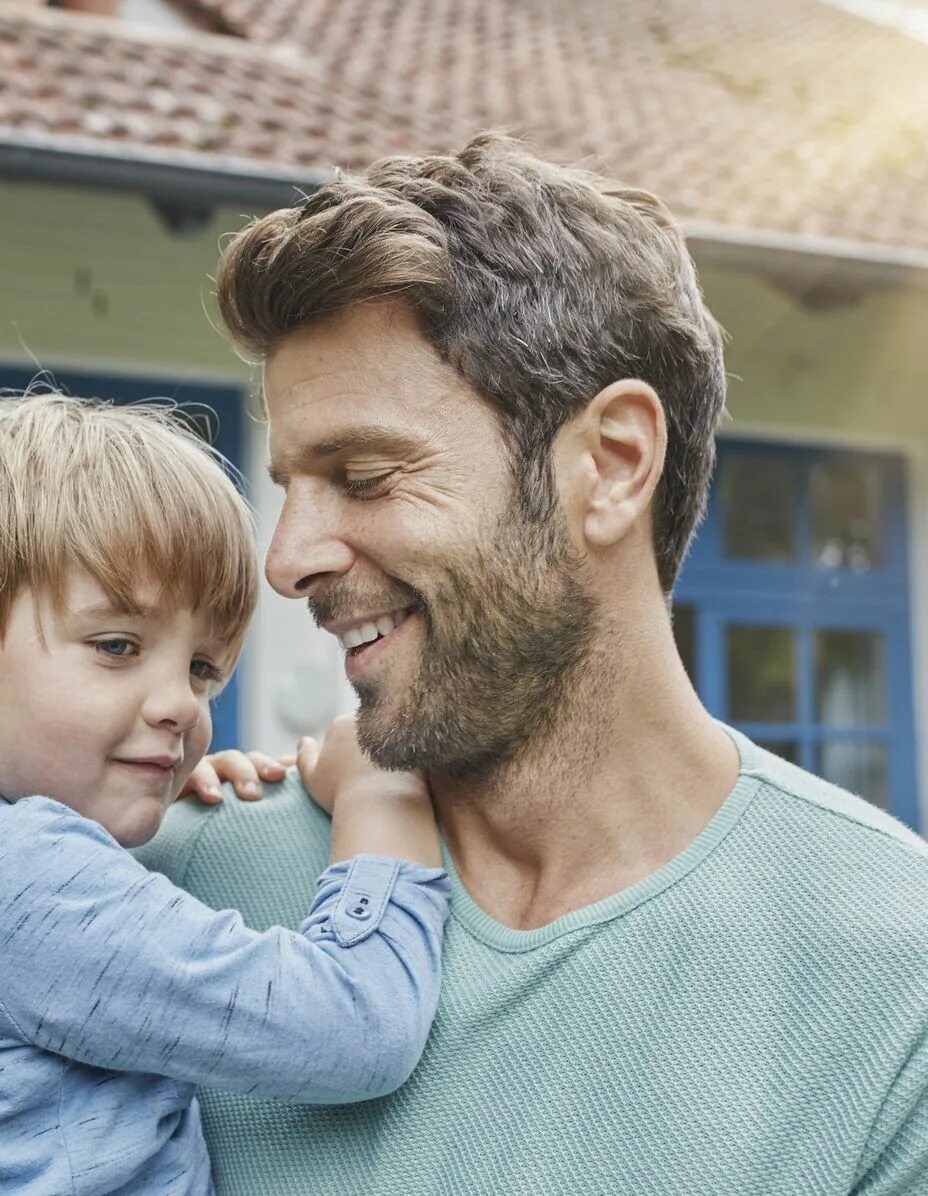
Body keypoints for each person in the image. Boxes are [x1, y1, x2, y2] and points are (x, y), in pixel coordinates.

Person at [138, 132, 928, 1194]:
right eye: (289, 485)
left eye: (364, 474)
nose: (285, 559)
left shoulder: (894, 970)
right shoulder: (183, 883)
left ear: (610, 464)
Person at [0, 393, 449, 1194]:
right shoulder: (22, 874)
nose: (181, 708)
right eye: (117, 646)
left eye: (200, 669)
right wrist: (378, 797)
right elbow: (356, 1029)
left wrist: (133, 806)